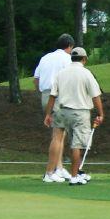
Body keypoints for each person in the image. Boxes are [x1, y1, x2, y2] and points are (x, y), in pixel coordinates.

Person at [44, 47, 104, 185]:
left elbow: (53, 96)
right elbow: (96, 96)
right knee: (76, 145)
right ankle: (74, 176)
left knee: (57, 139)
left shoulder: (61, 73)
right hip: (80, 112)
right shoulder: (86, 73)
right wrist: (101, 113)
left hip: (61, 110)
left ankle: (50, 172)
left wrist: (48, 114)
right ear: (84, 59)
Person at [33, 34, 77, 181]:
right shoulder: (67, 59)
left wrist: (42, 94)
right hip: (58, 97)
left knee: (60, 133)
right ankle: (50, 172)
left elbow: (36, 79)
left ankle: (58, 168)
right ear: (69, 46)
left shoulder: (45, 58)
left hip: (46, 96)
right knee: (57, 136)